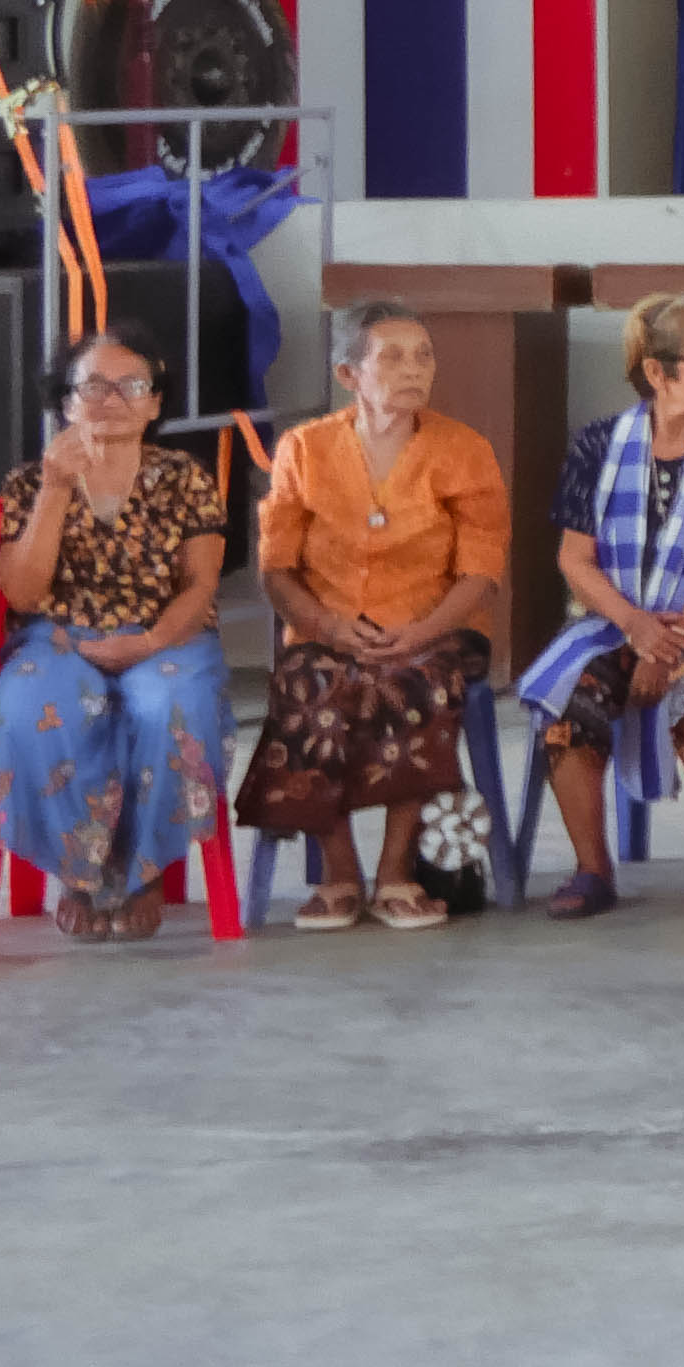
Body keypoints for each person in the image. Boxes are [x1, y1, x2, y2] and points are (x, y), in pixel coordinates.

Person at [237, 299, 506, 934]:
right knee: (312, 688)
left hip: (437, 628)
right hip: (327, 628)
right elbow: (276, 569)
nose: (414, 369)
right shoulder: (304, 449)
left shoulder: (463, 449)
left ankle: (396, 873)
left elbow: (481, 571)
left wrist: (421, 632)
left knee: (412, 685)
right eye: (393, 357)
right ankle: (338, 872)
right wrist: (329, 627)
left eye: (424, 356)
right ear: (348, 374)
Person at [0, 323, 233, 942]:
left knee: (167, 705)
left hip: (166, 635)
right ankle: (80, 873)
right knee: (37, 707)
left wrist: (148, 643)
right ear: (66, 402)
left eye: (132, 386)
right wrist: (56, 488)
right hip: (58, 638)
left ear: (154, 403)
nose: (112, 399)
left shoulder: (186, 478)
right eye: (94, 386)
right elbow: (22, 595)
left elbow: (200, 587)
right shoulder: (28, 482)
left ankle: (144, 872)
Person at [518, 292, 684, 920]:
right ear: (658, 371)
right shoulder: (597, 444)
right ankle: (592, 868)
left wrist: (666, 644)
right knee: (567, 699)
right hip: (613, 621)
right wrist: (634, 626)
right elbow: (575, 559)